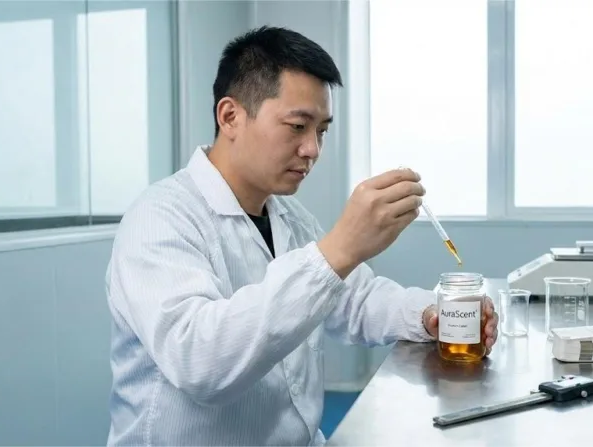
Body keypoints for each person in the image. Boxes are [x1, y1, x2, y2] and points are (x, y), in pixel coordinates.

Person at [105, 25, 498, 446]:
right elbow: (200, 362)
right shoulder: (159, 218)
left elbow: (357, 299)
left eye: (322, 130)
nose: (312, 149)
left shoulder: (288, 215)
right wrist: (339, 249)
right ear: (230, 116)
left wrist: (434, 314)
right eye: (297, 126)